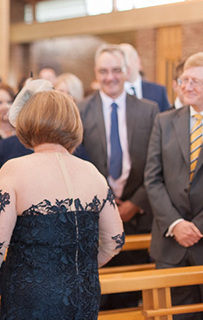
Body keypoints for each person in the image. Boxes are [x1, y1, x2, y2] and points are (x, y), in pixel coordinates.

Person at [0, 82, 124, 319]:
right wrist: (80, 267)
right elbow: (115, 240)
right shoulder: (92, 172)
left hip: (31, 295)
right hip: (83, 293)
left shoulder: (14, 169)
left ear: (27, 120)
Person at [78, 44, 158, 309]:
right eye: (103, 71)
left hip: (137, 217)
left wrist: (135, 203)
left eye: (115, 70)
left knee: (130, 296)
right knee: (97, 296)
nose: (110, 77)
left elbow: (155, 165)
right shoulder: (80, 110)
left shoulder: (148, 110)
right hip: (95, 218)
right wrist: (106, 205)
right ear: (95, 73)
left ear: (126, 71)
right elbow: (79, 164)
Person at [144, 52, 203, 320]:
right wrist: (176, 224)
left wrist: (197, 228)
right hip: (170, 243)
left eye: (196, 82)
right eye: (184, 80)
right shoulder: (164, 122)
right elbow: (152, 179)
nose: (187, 87)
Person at [121, 43, 170, 112]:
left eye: (126, 59)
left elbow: (166, 118)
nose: (123, 65)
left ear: (138, 62)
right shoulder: (113, 92)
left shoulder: (158, 91)